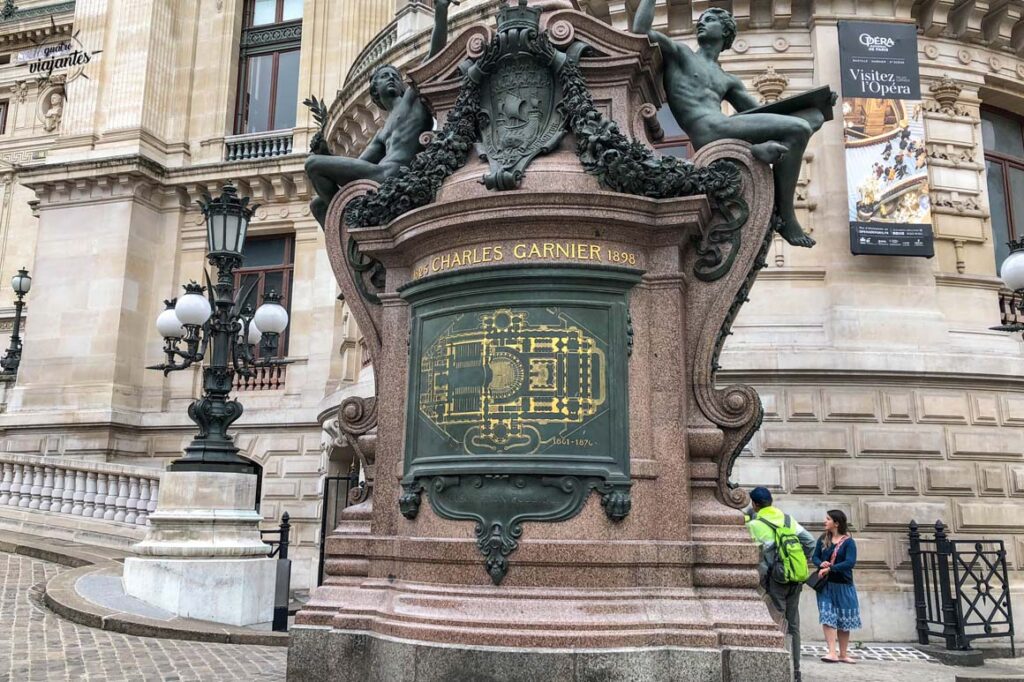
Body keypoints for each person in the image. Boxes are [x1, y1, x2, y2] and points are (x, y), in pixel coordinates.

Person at [631, 4, 829, 248]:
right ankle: (785, 215)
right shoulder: (682, 54)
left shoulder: (728, 80)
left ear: (725, 33)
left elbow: (760, 114)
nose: (701, 22)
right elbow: (640, 30)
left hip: (724, 127)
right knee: (798, 128)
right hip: (707, 130)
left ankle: (757, 152)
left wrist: (816, 104)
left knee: (813, 119)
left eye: (710, 19)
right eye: (701, 19)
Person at [304, 0, 453, 227]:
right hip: (379, 175)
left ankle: (350, 225)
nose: (392, 77)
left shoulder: (412, 99)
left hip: (393, 174)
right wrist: (327, 153)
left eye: (395, 75)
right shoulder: (382, 133)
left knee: (313, 164)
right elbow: (357, 165)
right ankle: (347, 234)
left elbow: (434, 54)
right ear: (375, 92)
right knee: (317, 204)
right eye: (385, 75)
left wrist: (441, 11)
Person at [744, 486, 815, 682]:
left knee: (775, 621)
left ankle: (776, 667)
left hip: (774, 581)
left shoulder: (755, 524)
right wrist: (799, 563)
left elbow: (755, 557)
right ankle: (796, 669)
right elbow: (810, 542)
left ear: (755, 504)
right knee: (793, 624)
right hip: (795, 579)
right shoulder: (787, 519)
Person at [812, 509, 861, 664]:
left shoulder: (848, 542)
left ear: (837, 523)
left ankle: (843, 653)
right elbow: (815, 556)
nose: (824, 521)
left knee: (843, 620)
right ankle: (832, 652)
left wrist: (831, 568)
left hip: (843, 586)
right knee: (828, 617)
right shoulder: (823, 538)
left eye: (828, 519)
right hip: (826, 585)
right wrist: (821, 563)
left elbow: (850, 562)